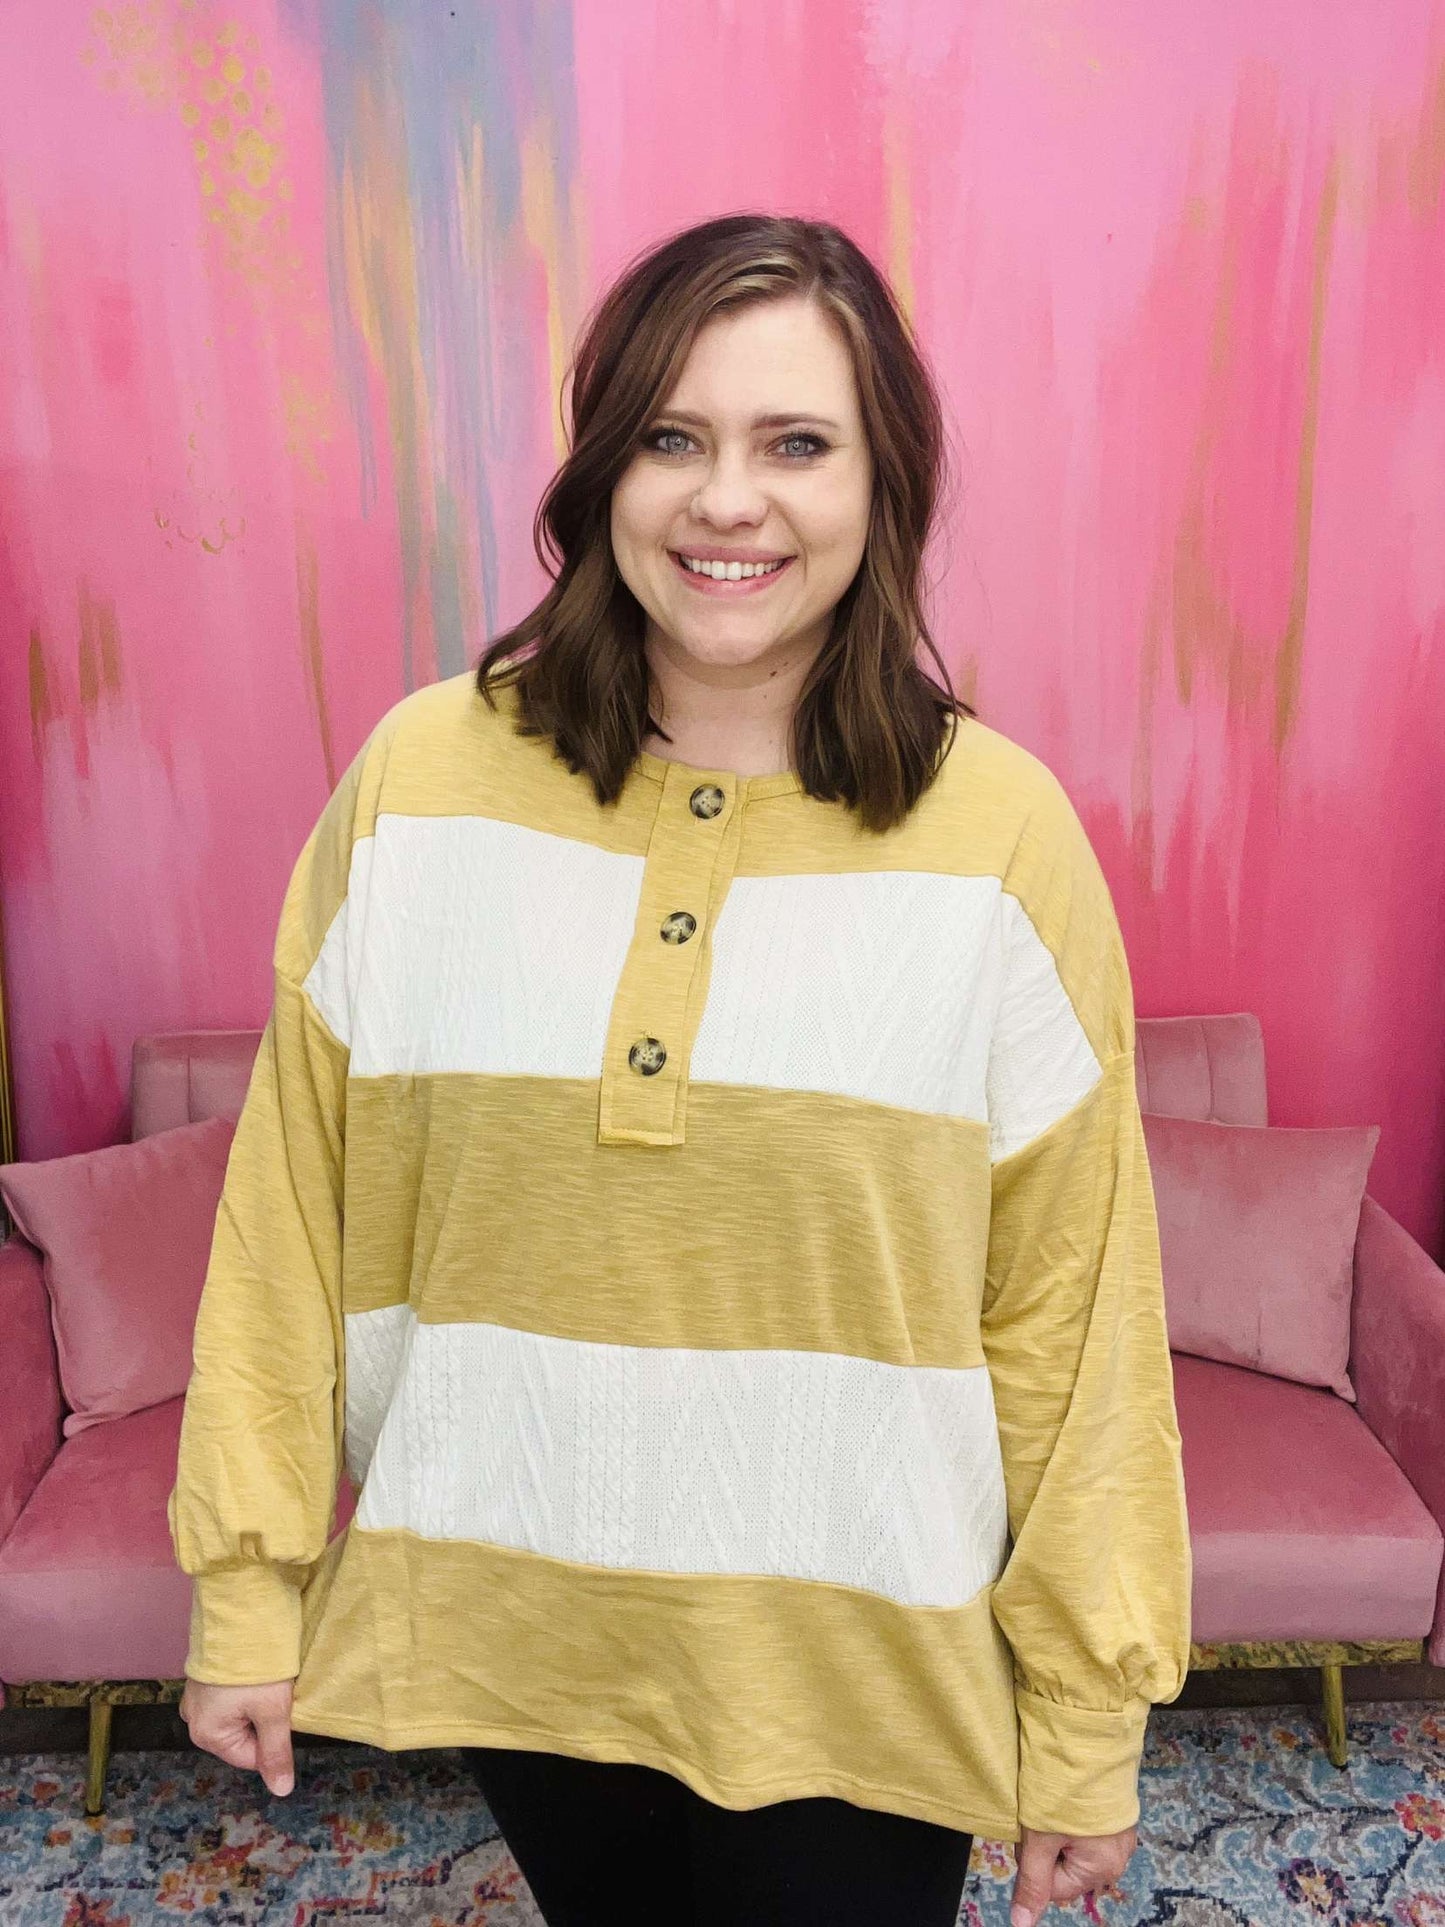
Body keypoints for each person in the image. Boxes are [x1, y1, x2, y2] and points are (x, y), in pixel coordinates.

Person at [169, 212, 1192, 1927]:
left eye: (795, 444)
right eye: (670, 438)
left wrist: (1086, 1714)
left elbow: (1072, 1319)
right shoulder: (419, 781)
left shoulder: (1001, 834)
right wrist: (247, 1585)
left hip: (865, 1669)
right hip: (520, 1636)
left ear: (883, 484)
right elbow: (290, 1216)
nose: (727, 501)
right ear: (603, 472)